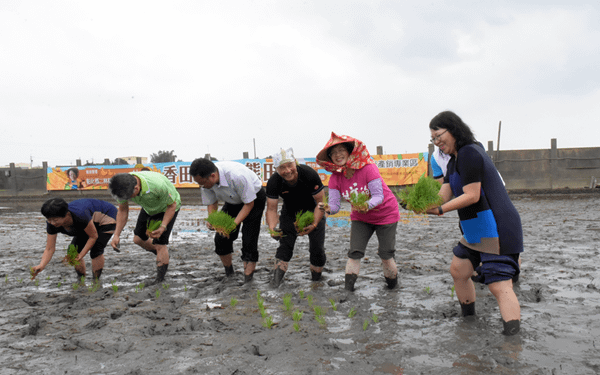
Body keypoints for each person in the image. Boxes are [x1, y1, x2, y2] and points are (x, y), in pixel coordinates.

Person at [424, 110, 523, 336]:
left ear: (454, 129)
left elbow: (472, 195)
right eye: (433, 139)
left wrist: (439, 211)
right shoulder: (453, 162)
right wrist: (419, 204)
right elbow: (444, 194)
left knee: (499, 285)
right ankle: (468, 320)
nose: (437, 142)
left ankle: (512, 339)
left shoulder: (470, 153)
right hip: (475, 228)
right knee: (459, 270)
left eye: (439, 135)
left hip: (496, 226)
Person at [316, 132, 400, 291]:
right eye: (333, 153)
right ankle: (348, 291)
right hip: (361, 217)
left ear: (349, 152)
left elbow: (378, 196)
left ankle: (393, 289)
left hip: (386, 214)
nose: (338, 155)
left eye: (341, 150)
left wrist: (366, 205)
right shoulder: (335, 178)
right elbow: (334, 206)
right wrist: (328, 208)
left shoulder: (368, 168)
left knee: (385, 254)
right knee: (354, 252)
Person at [190, 158, 266, 282]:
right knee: (221, 238)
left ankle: (248, 278)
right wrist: (212, 219)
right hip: (232, 201)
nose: (201, 186)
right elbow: (211, 202)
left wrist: (233, 224)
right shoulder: (205, 183)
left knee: (249, 239)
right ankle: (229, 273)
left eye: (202, 183)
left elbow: (249, 204)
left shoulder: (237, 176)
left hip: (254, 200)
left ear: (212, 176)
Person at [266, 148, 326, 287]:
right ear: (276, 169)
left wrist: (315, 223)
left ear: (295, 164)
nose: (287, 170)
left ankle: (316, 281)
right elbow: (271, 208)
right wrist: (272, 228)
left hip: (313, 209)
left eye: (289, 165)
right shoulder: (274, 182)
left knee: (317, 248)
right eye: (282, 167)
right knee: (285, 245)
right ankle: (275, 284)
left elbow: (321, 203)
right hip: (290, 211)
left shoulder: (309, 174)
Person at [108, 171, 181, 285]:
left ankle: (159, 281)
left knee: (160, 243)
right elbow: (122, 210)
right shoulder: (122, 186)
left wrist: (163, 226)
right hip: (149, 207)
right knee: (137, 239)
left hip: (167, 208)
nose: (128, 199)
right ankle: (162, 255)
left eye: (129, 197)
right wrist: (116, 234)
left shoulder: (157, 186)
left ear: (136, 189)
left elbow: (172, 205)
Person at [32, 197, 117, 282]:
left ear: (67, 215)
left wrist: (81, 255)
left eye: (55, 220)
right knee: (73, 251)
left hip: (106, 217)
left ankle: (96, 281)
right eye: (49, 220)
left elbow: (93, 236)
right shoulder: (51, 224)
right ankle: (81, 278)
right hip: (89, 221)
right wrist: (41, 265)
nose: (52, 223)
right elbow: (50, 248)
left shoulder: (80, 216)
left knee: (96, 250)